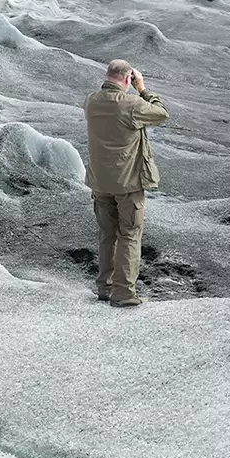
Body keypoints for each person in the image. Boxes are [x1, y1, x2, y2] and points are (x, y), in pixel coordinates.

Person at [84, 60, 169, 307]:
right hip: (128, 183)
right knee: (130, 234)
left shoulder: (90, 101)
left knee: (107, 235)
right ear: (127, 79)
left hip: (99, 182)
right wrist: (143, 89)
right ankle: (123, 293)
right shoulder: (132, 104)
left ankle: (105, 288)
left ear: (107, 75)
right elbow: (161, 113)